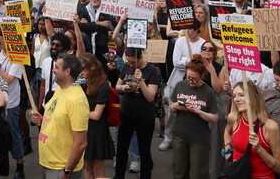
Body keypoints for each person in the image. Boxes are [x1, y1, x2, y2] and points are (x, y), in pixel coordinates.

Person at [30, 53, 89, 179]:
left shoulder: (77, 101)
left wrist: (67, 171)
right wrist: (41, 120)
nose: (53, 70)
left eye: (57, 67)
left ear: (67, 71)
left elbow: (81, 142)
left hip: (60, 168)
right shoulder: (60, 89)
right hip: (49, 163)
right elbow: (59, 120)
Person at [114, 47, 161, 179]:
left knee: (144, 150)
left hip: (144, 117)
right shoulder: (126, 67)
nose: (131, 65)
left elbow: (150, 97)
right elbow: (117, 86)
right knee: (122, 149)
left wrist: (141, 81)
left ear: (140, 58)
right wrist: (124, 88)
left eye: (133, 62)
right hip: (126, 114)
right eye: (129, 62)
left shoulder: (152, 71)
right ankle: (119, 175)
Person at [169, 58, 218, 179]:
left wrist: (198, 111)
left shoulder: (208, 92)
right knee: (179, 170)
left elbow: (214, 118)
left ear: (202, 75)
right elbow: (172, 108)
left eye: (194, 79)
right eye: (188, 77)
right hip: (180, 134)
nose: (191, 81)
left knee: (198, 173)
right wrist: (175, 106)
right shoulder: (180, 85)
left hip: (199, 139)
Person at [160, 20, 205, 151]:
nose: (188, 31)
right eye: (187, 29)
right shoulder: (180, 42)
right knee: (172, 112)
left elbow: (201, 65)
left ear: (197, 30)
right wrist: (190, 61)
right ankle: (168, 138)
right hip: (177, 81)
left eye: (191, 29)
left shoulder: (202, 43)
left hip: (195, 82)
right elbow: (176, 63)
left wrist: (186, 61)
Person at [224, 82, 280, 178]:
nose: (236, 99)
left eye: (241, 95)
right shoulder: (234, 118)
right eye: (234, 96)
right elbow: (227, 132)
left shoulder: (270, 126)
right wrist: (228, 152)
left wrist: (259, 149)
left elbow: (279, 168)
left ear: (255, 97)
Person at [0, 29, 26, 179]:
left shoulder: (16, 58)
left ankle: (20, 164)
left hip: (10, 101)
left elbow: (9, 79)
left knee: (13, 132)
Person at [79, 53, 113, 179]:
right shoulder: (81, 82)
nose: (80, 72)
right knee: (86, 166)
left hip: (97, 130)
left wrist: (77, 113)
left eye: (83, 68)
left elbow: (96, 115)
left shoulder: (103, 85)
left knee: (98, 168)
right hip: (84, 128)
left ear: (92, 67)